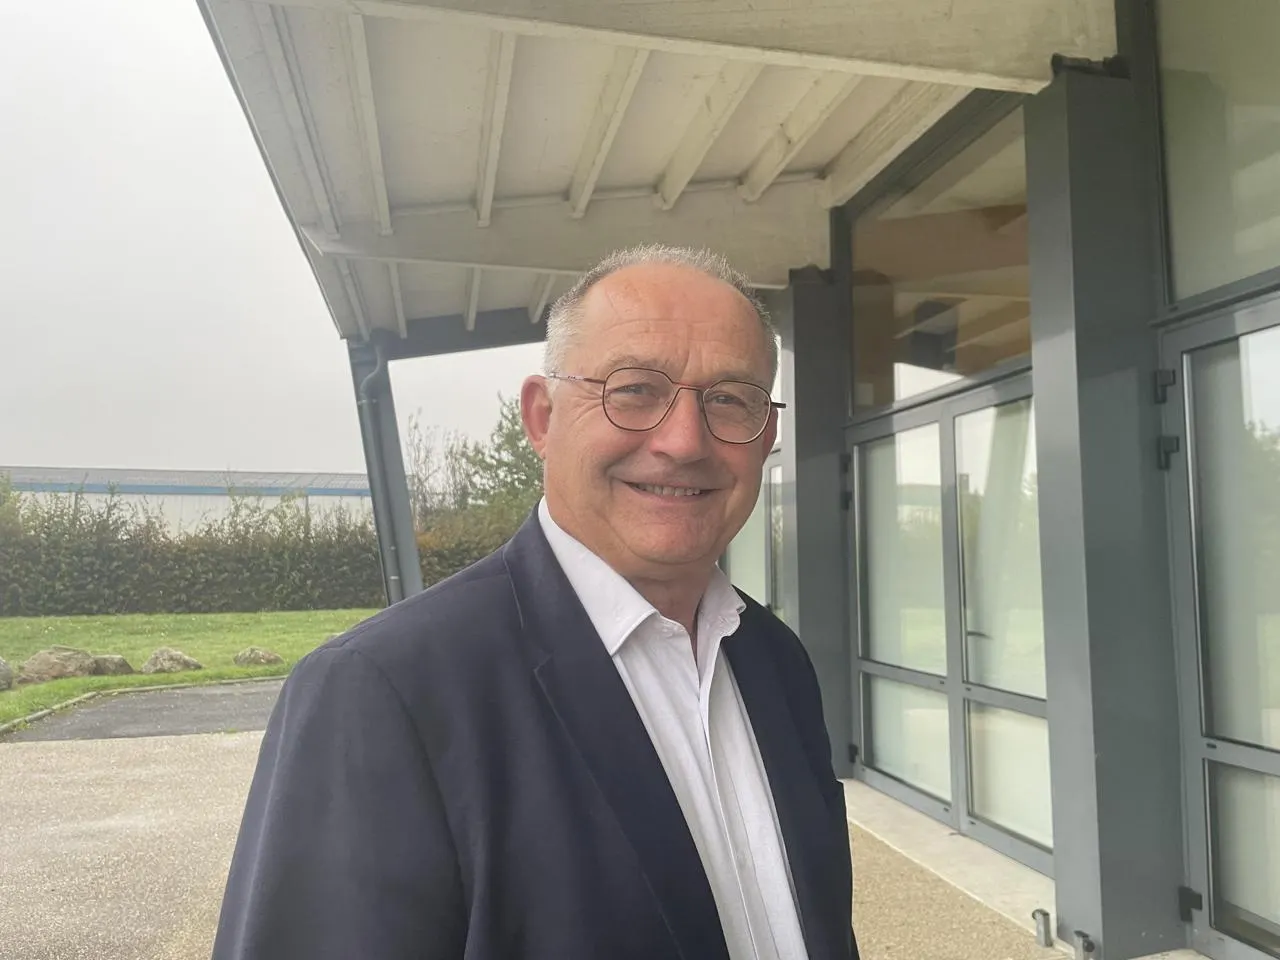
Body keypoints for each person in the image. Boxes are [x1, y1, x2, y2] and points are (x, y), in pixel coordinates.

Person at [212, 245, 857, 960]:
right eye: (634, 389)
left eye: (729, 399)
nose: (683, 442)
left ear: (767, 436)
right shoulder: (385, 691)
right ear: (542, 418)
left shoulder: (776, 663)